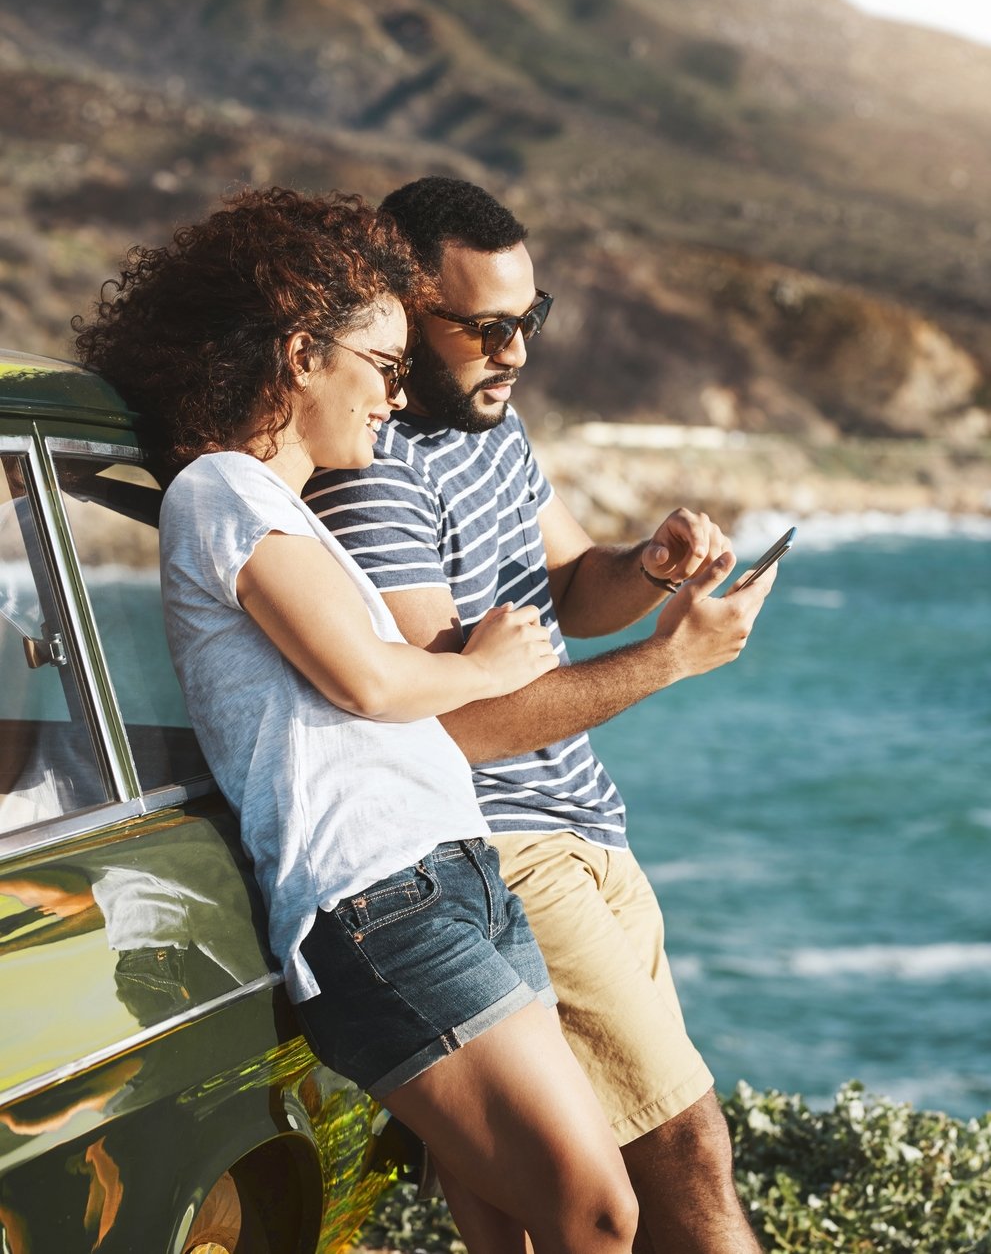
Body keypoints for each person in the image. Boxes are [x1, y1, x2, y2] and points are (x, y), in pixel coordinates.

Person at [73, 186, 639, 1254]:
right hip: (379, 901)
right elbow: (370, 683)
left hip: (449, 874)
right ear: (300, 356)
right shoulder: (224, 491)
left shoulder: (279, 508)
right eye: (381, 368)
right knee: (599, 1211)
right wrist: (486, 665)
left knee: (514, 1224)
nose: (393, 396)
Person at [304, 176, 776, 1254]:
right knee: (686, 1155)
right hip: (503, 847)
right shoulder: (370, 481)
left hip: (589, 828)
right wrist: (666, 663)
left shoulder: (493, 430)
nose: (513, 351)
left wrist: (647, 569)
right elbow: (449, 726)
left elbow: (568, 580)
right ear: (398, 312)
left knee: (604, 1184)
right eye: (484, 328)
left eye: (529, 320)